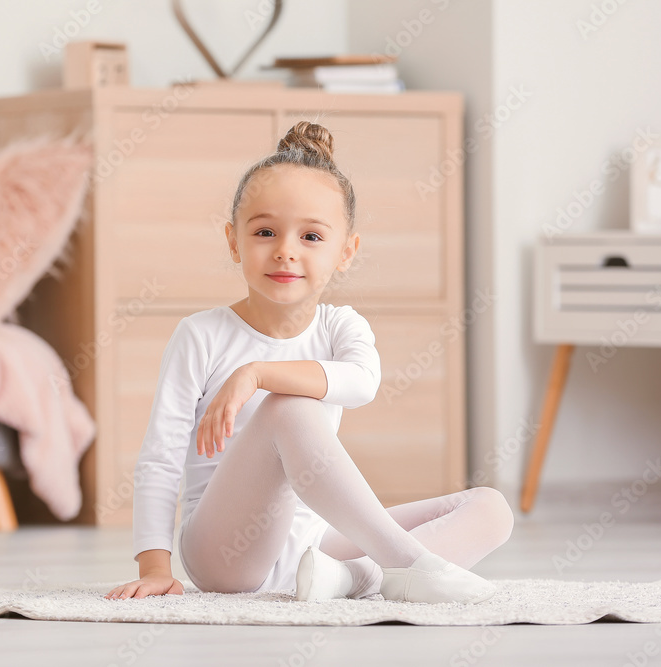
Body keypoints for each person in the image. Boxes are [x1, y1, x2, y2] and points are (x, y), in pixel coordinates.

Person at [104, 121, 514, 604]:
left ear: (347, 251)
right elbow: (161, 457)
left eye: (312, 237)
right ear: (234, 241)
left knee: (491, 508)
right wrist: (154, 567)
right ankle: (409, 567)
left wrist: (255, 373)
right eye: (264, 231)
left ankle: (347, 579)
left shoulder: (341, 326)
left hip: (314, 544)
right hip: (226, 554)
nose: (285, 250)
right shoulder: (201, 335)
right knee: (291, 407)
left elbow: (361, 382)